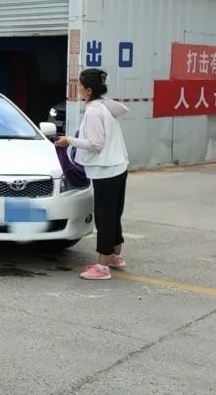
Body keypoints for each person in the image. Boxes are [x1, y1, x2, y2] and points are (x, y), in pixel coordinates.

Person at [55, 68, 129, 281]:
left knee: (104, 217)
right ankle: (115, 257)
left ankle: (102, 267)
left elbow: (96, 144)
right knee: (114, 214)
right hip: (118, 166)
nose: (77, 89)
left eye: (79, 86)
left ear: (88, 90)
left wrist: (69, 140)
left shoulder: (94, 111)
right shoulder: (105, 106)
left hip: (106, 170)